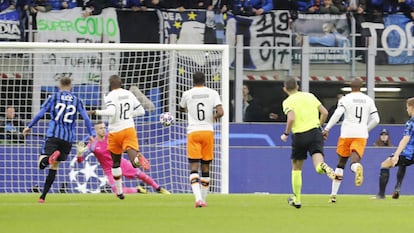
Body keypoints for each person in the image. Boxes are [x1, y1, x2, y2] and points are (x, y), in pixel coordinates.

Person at [22, 77, 95, 203]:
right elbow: (86, 119)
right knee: (54, 167)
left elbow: (40, 114)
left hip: (54, 135)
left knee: (41, 164)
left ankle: (48, 159)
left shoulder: (53, 97)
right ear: (71, 86)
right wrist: (91, 134)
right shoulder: (77, 100)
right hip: (67, 139)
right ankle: (42, 196)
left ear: (59, 86)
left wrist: (29, 126)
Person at [88, 74, 149, 200]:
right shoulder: (128, 93)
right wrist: (127, 116)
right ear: (121, 83)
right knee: (133, 162)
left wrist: (95, 112)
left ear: (110, 85)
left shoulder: (110, 95)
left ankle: (120, 192)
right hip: (128, 129)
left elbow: (111, 112)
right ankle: (138, 160)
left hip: (115, 132)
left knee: (115, 163)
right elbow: (141, 111)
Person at [280, 77, 335, 209]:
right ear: (297, 86)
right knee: (317, 162)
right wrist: (319, 126)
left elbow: (291, 118)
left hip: (299, 135)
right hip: (315, 132)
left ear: (285, 89)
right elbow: (325, 112)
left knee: (296, 167)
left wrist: (286, 133)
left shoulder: (287, 101)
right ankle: (324, 167)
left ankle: (297, 199)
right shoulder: (310, 96)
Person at [323, 78, 380, 203]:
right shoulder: (368, 100)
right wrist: (366, 129)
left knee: (340, 164)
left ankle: (333, 196)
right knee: (354, 161)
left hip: (346, 133)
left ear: (350, 87)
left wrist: (327, 128)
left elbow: (338, 114)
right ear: (362, 87)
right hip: (361, 134)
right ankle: (357, 167)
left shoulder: (345, 99)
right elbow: (376, 119)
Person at [76, 122, 170, 194]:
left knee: (141, 175)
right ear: (96, 130)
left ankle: (159, 188)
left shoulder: (111, 137)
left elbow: (125, 146)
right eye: (101, 128)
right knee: (118, 191)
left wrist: (136, 156)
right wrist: (79, 154)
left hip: (121, 163)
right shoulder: (92, 145)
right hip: (110, 170)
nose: (104, 130)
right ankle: (138, 190)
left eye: (105, 127)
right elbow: (80, 161)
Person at [179, 71, 224, 208]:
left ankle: (198, 199)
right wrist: (213, 117)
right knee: (206, 167)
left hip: (193, 132)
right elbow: (221, 112)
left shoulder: (187, 94)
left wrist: (189, 109)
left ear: (193, 81)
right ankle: (203, 200)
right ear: (205, 80)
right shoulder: (213, 93)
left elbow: (181, 108)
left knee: (193, 167)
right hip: (208, 132)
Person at [375, 97, 414, 200]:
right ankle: (397, 187)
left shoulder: (411, 122)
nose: (407, 110)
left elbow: (405, 139)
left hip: (409, 153)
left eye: (407, 108)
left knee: (385, 164)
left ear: (411, 107)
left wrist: (396, 154)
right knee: (403, 165)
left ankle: (381, 195)